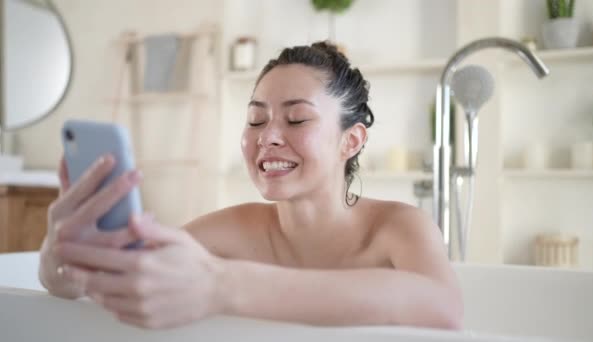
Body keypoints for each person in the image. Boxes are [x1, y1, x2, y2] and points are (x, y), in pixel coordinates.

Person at [38, 41, 463, 330]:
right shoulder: (231, 231)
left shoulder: (398, 228)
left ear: (350, 141)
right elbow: (126, 276)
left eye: (296, 118)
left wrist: (221, 286)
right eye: (256, 119)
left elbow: (443, 309)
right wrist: (65, 259)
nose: (268, 136)